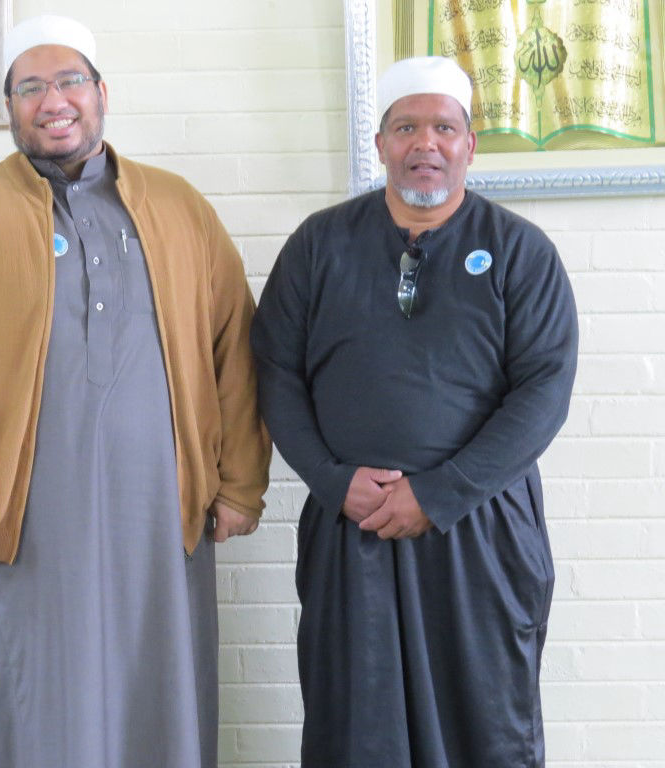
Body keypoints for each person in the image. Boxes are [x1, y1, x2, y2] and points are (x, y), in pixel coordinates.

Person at [0, 14, 270, 768]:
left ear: (101, 93)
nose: (52, 101)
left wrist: (239, 485)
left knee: (152, 694)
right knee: (17, 703)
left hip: (158, 516)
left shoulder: (179, 207)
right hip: (10, 522)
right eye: (30, 87)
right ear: (9, 107)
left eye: (69, 81)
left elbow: (236, 346)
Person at [250, 56, 578, 767]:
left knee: (484, 727)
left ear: (470, 145)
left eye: (443, 128)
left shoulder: (519, 252)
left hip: (478, 530)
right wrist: (332, 480)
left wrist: (440, 493)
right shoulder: (319, 245)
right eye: (406, 128)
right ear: (380, 144)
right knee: (355, 731)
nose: (424, 143)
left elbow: (545, 390)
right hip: (353, 526)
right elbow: (275, 372)